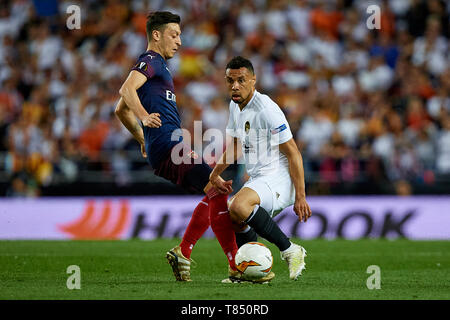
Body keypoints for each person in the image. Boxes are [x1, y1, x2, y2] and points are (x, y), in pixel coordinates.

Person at [114, 11, 238, 282]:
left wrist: (141, 139)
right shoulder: (151, 61)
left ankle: (186, 252)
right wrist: (145, 118)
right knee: (217, 190)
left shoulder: (158, 67)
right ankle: (234, 263)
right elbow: (126, 91)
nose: (180, 41)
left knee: (214, 191)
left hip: (163, 147)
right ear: (156, 35)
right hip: (169, 144)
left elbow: (120, 110)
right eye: (174, 34)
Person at [209, 56, 312, 282]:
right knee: (234, 217)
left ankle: (290, 250)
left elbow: (293, 153)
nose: (235, 86)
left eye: (241, 80)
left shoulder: (267, 109)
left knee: (239, 205)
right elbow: (236, 144)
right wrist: (215, 173)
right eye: (230, 80)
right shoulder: (235, 106)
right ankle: (250, 271)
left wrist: (301, 196)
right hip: (260, 177)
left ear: (253, 80)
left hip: (280, 177)